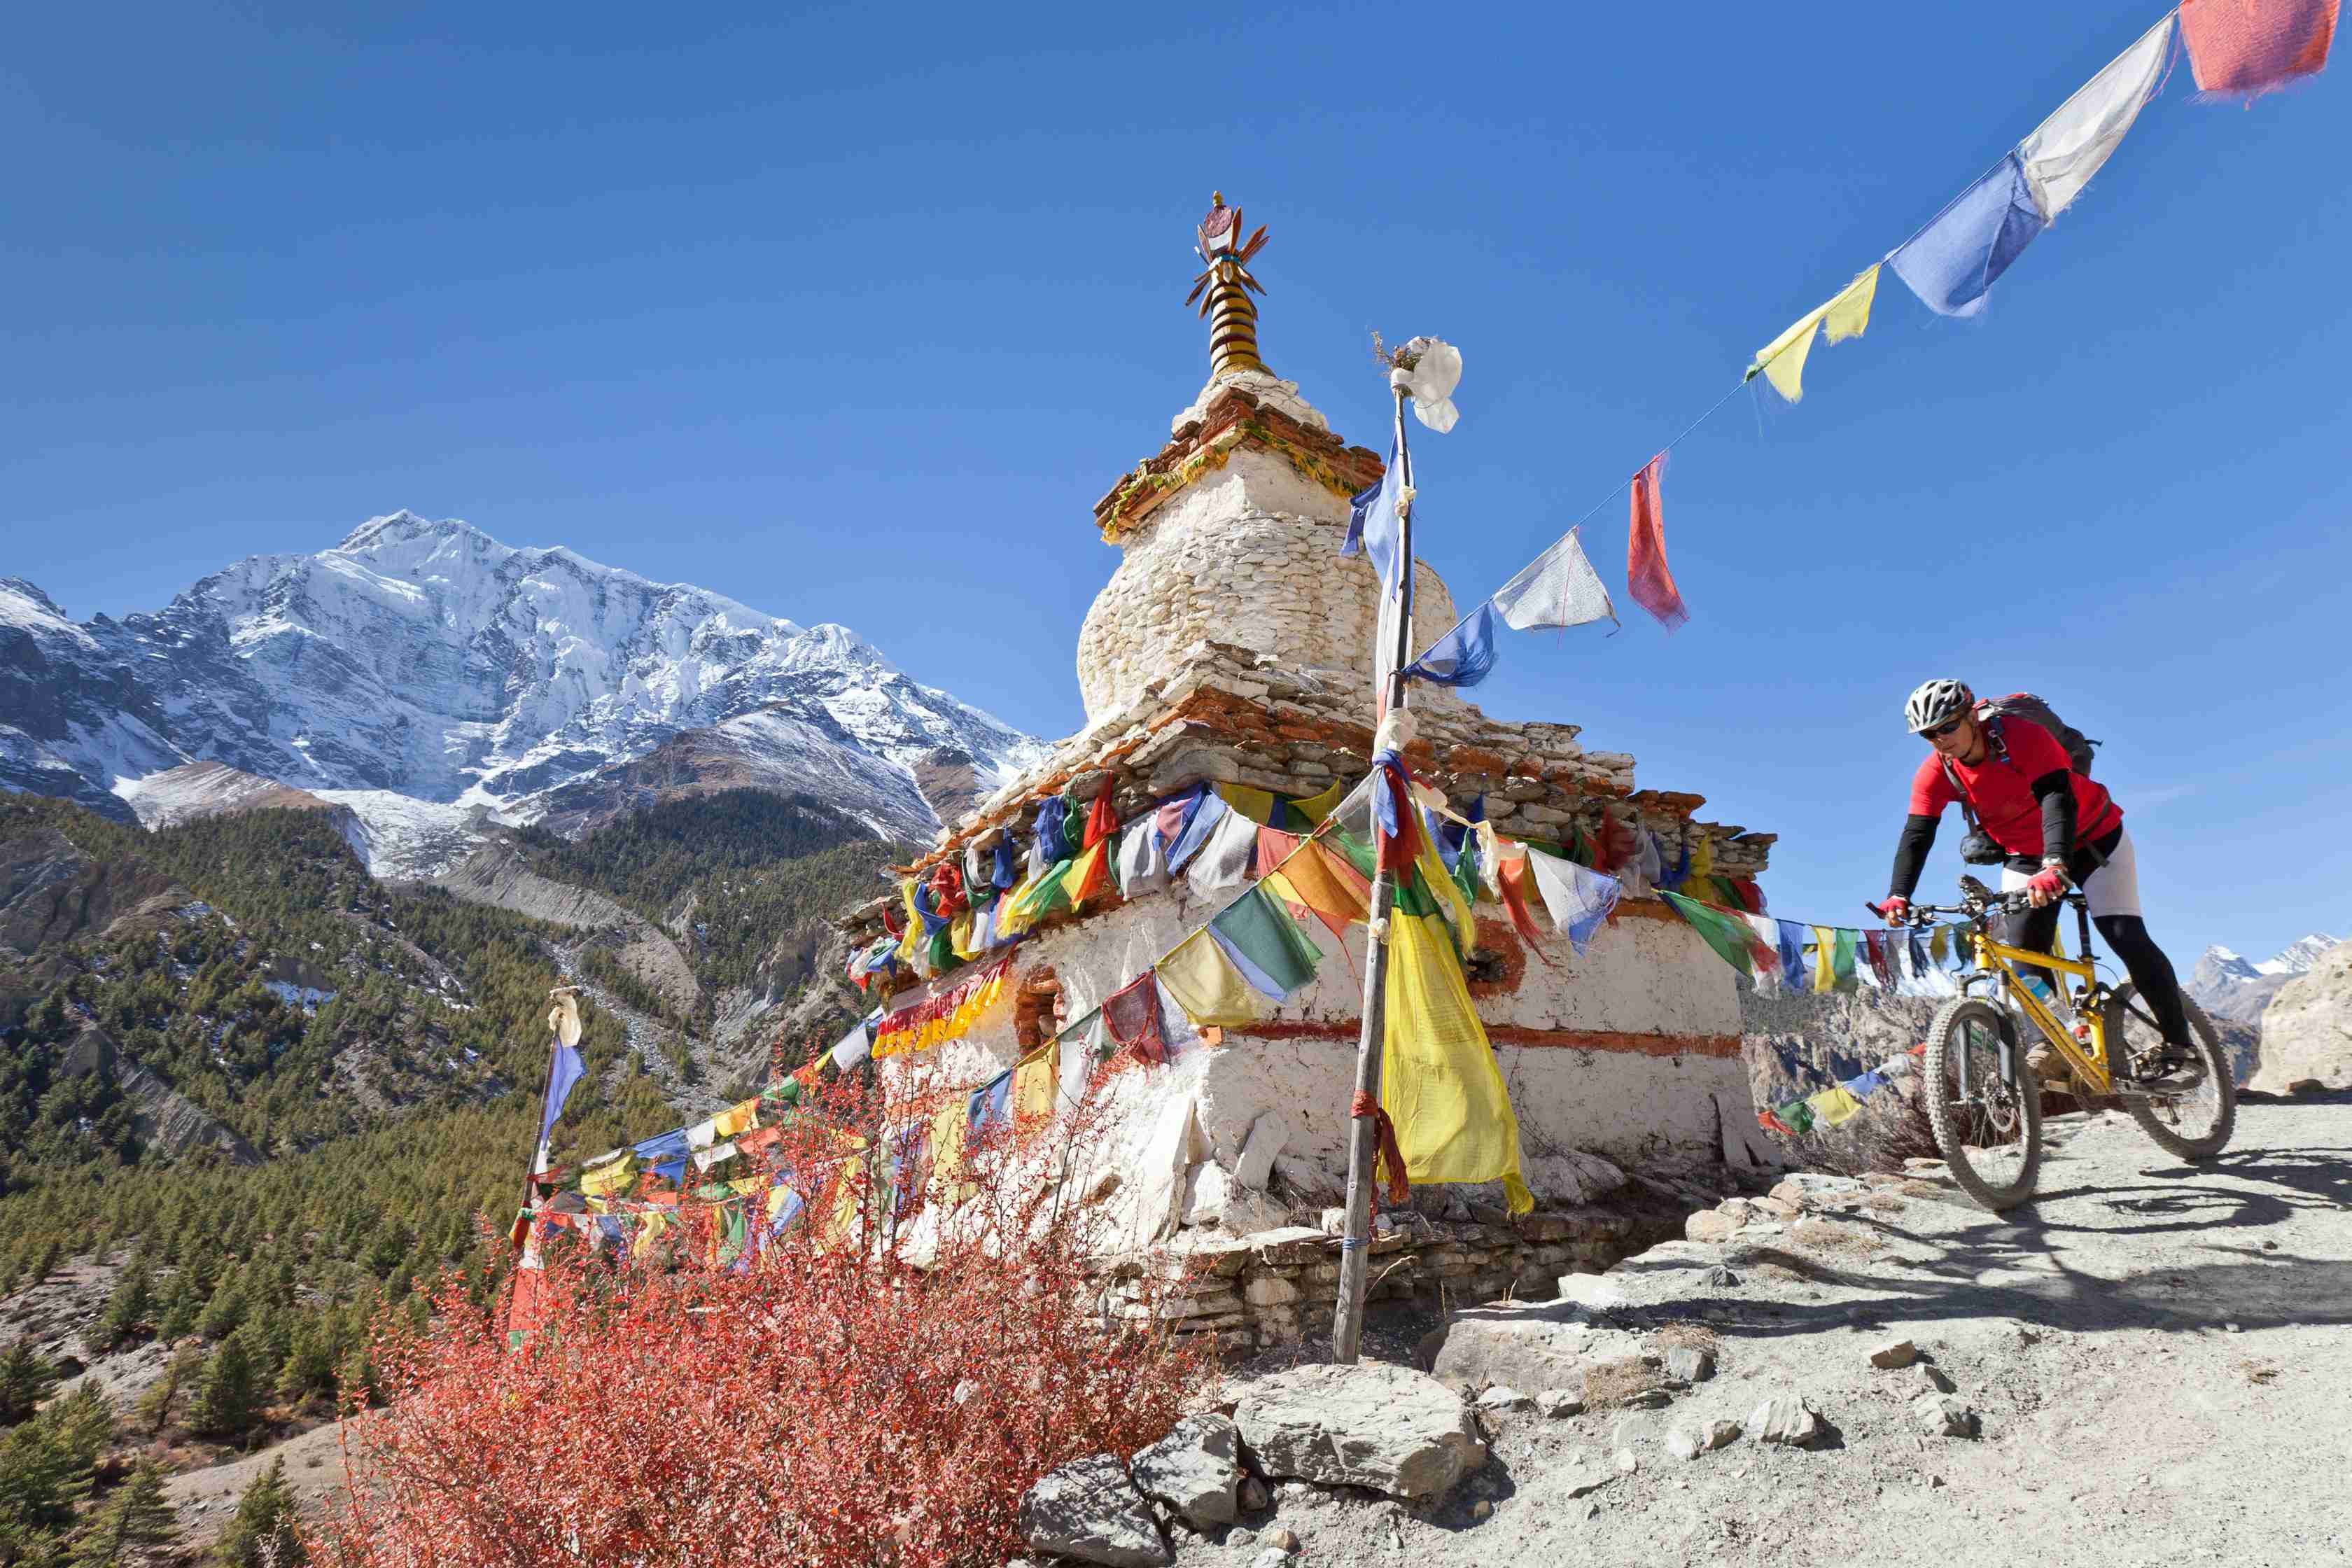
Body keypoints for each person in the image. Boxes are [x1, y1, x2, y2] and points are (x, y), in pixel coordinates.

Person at [1879, 678, 2201, 1091]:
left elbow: (2057, 799)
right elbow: (1917, 834)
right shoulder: (1935, 772)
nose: (1940, 739)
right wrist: (1898, 894)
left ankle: (2180, 1047)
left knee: (2123, 933)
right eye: (1929, 734)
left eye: (1947, 727)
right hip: (2026, 855)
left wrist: (2056, 864)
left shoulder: (2021, 738)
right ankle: (2055, 1043)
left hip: (2094, 838)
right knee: (2023, 953)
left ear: (1972, 715)